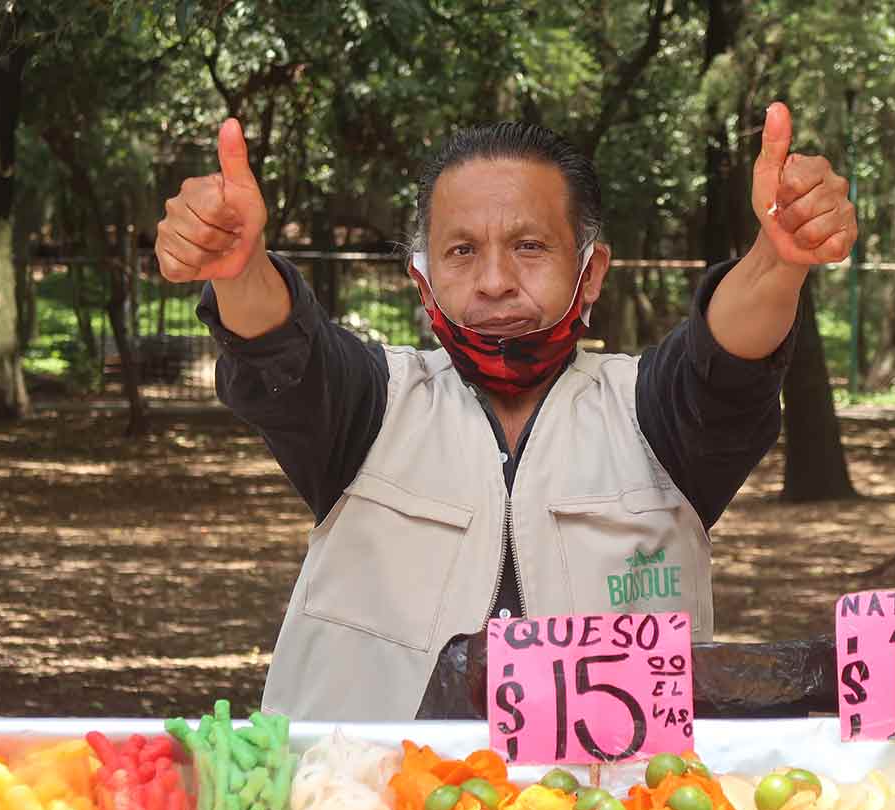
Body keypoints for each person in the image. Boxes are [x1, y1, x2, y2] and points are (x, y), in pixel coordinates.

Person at [154, 102, 857, 720]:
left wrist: (779, 257)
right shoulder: (368, 407)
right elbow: (281, 349)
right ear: (421, 278)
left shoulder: (658, 416)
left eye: (529, 246)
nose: (494, 281)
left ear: (592, 272)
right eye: (461, 251)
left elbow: (727, 358)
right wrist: (238, 267)